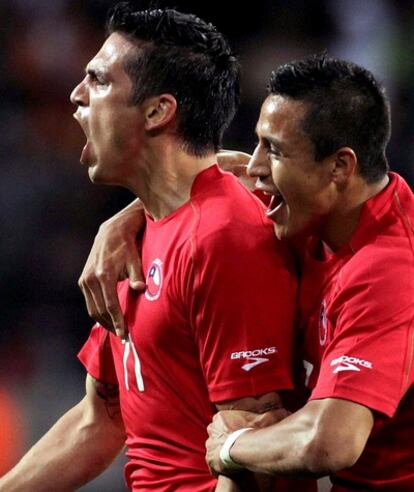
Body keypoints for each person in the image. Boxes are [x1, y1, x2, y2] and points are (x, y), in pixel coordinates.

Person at [0, 3, 300, 492]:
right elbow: (98, 419)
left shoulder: (227, 238)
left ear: (158, 111)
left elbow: (256, 443)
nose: (76, 96)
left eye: (98, 81)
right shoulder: (134, 238)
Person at [81, 55, 414, 490]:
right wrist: (126, 220)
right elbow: (204, 180)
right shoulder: (316, 215)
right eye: (257, 144)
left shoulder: (390, 271)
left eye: (273, 150)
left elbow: (329, 442)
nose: (255, 168)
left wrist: (230, 446)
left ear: (340, 167)